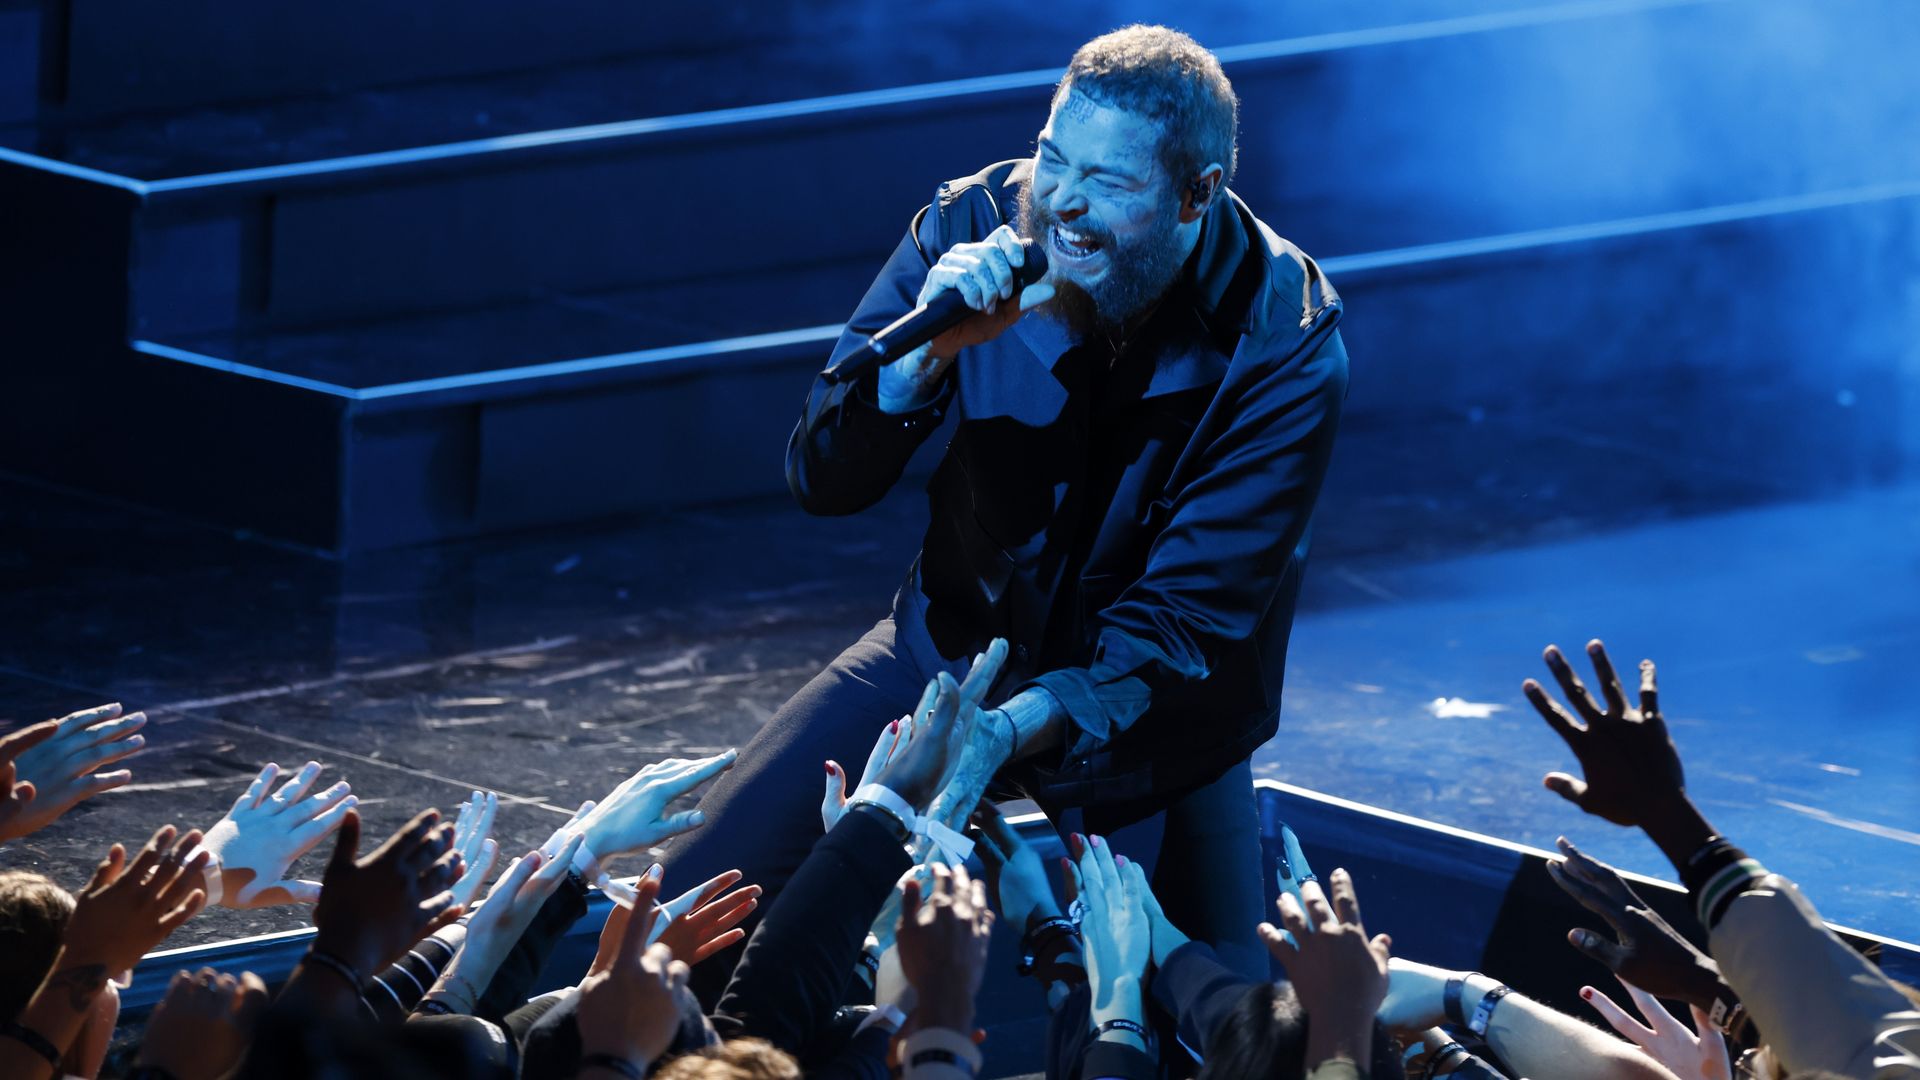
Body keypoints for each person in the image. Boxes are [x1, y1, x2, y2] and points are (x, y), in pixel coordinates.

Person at [664, 22, 1348, 992]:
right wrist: (913, 371)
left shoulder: (1283, 339)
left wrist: (1009, 731)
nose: (1062, 201)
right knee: (687, 911)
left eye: (1108, 181)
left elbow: (1182, 624)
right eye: (1053, 157)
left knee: (1180, 1016)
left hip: (1146, 726)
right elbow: (822, 478)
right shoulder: (971, 225)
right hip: (945, 654)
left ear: (1196, 195)